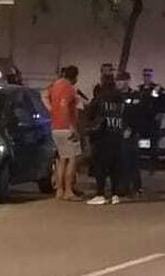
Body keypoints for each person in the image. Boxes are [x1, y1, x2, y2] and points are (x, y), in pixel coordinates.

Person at [84, 63, 130, 205]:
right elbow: (126, 116)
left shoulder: (100, 97)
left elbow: (90, 113)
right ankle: (115, 194)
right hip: (117, 136)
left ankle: (100, 194)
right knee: (115, 167)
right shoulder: (120, 98)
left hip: (102, 137)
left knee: (100, 167)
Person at [46, 66, 82, 200]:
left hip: (55, 127)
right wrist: (72, 126)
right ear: (74, 76)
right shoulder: (69, 88)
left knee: (61, 159)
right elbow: (64, 106)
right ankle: (68, 191)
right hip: (66, 128)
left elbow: (43, 95)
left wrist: (51, 111)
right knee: (71, 159)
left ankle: (59, 191)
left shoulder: (55, 86)